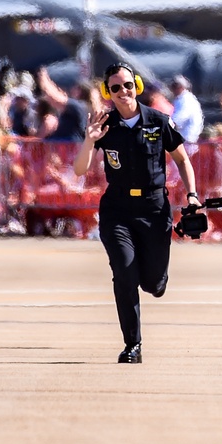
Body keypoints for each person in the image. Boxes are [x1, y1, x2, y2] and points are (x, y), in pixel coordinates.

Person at [73, 62, 198, 364]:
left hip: (154, 210)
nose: (123, 91)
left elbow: (181, 159)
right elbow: (80, 169)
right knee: (124, 273)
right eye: (115, 87)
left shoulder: (158, 120)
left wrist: (192, 194)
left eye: (127, 85)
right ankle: (133, 344)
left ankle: (156, 279)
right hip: (117, 210)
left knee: (153, 283)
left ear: (136, 86)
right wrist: (90, 138)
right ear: (108, 92)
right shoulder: (105, 125)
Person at [169, 75, 203, 144]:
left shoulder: (186, 100)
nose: (173, 89)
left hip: (188, 140)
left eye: (175, 86)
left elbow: (179, 119)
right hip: (183, 139)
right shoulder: (179, 99)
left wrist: (164, 124)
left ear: (182, 87)